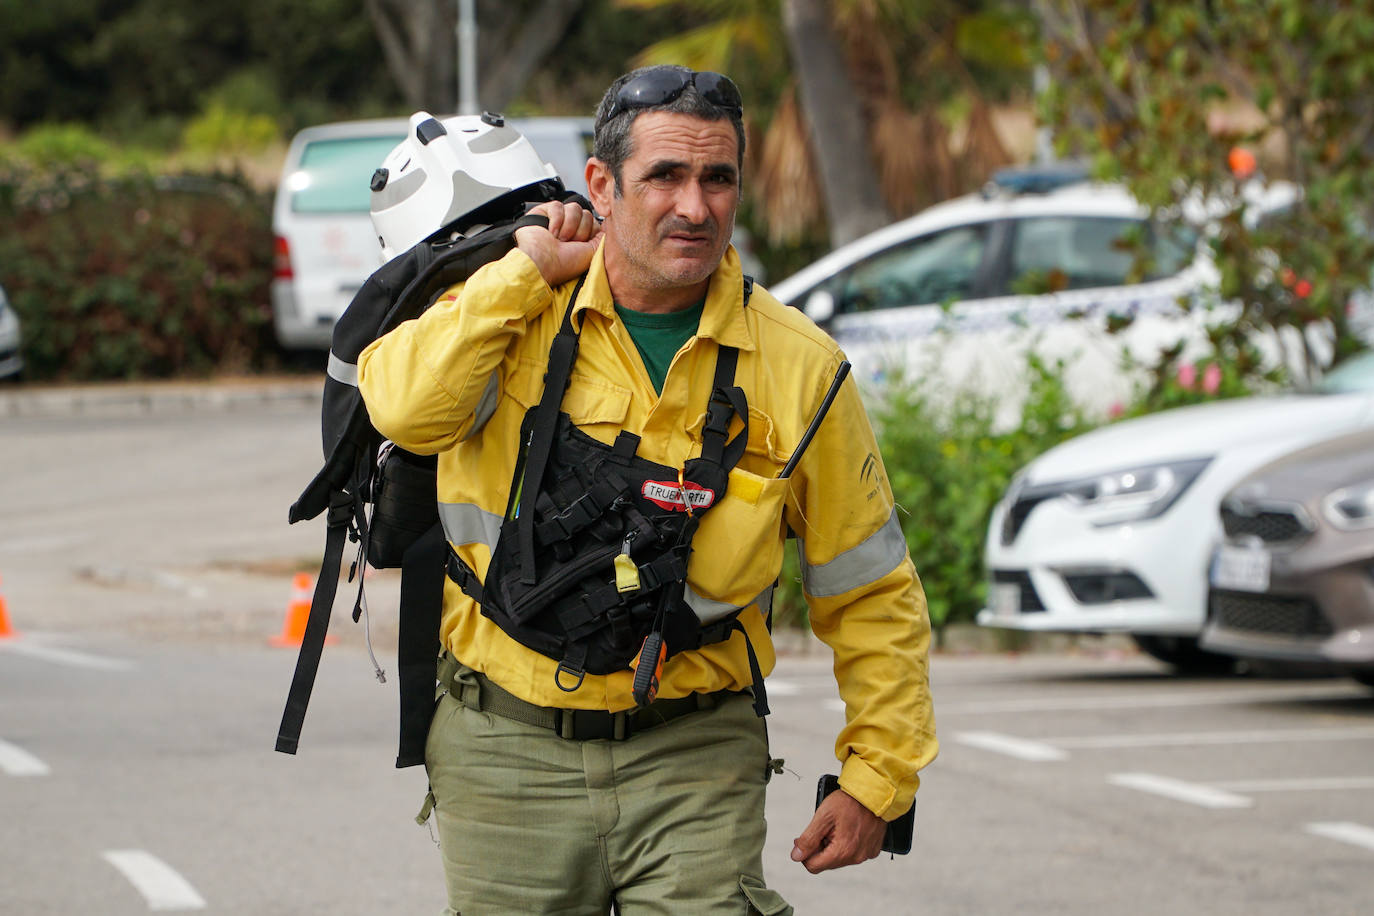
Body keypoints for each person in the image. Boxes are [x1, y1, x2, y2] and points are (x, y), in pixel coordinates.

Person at [358, 64, 937, 915]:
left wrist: (878, 774)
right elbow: (404, 411)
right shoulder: (514, 311)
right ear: (603, 184)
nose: (695, 207)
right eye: (665, 176)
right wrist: (524, 269)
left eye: (718, 178)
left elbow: (871, 587)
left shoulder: (801, 368)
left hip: (696, 753)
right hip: (505, 749)